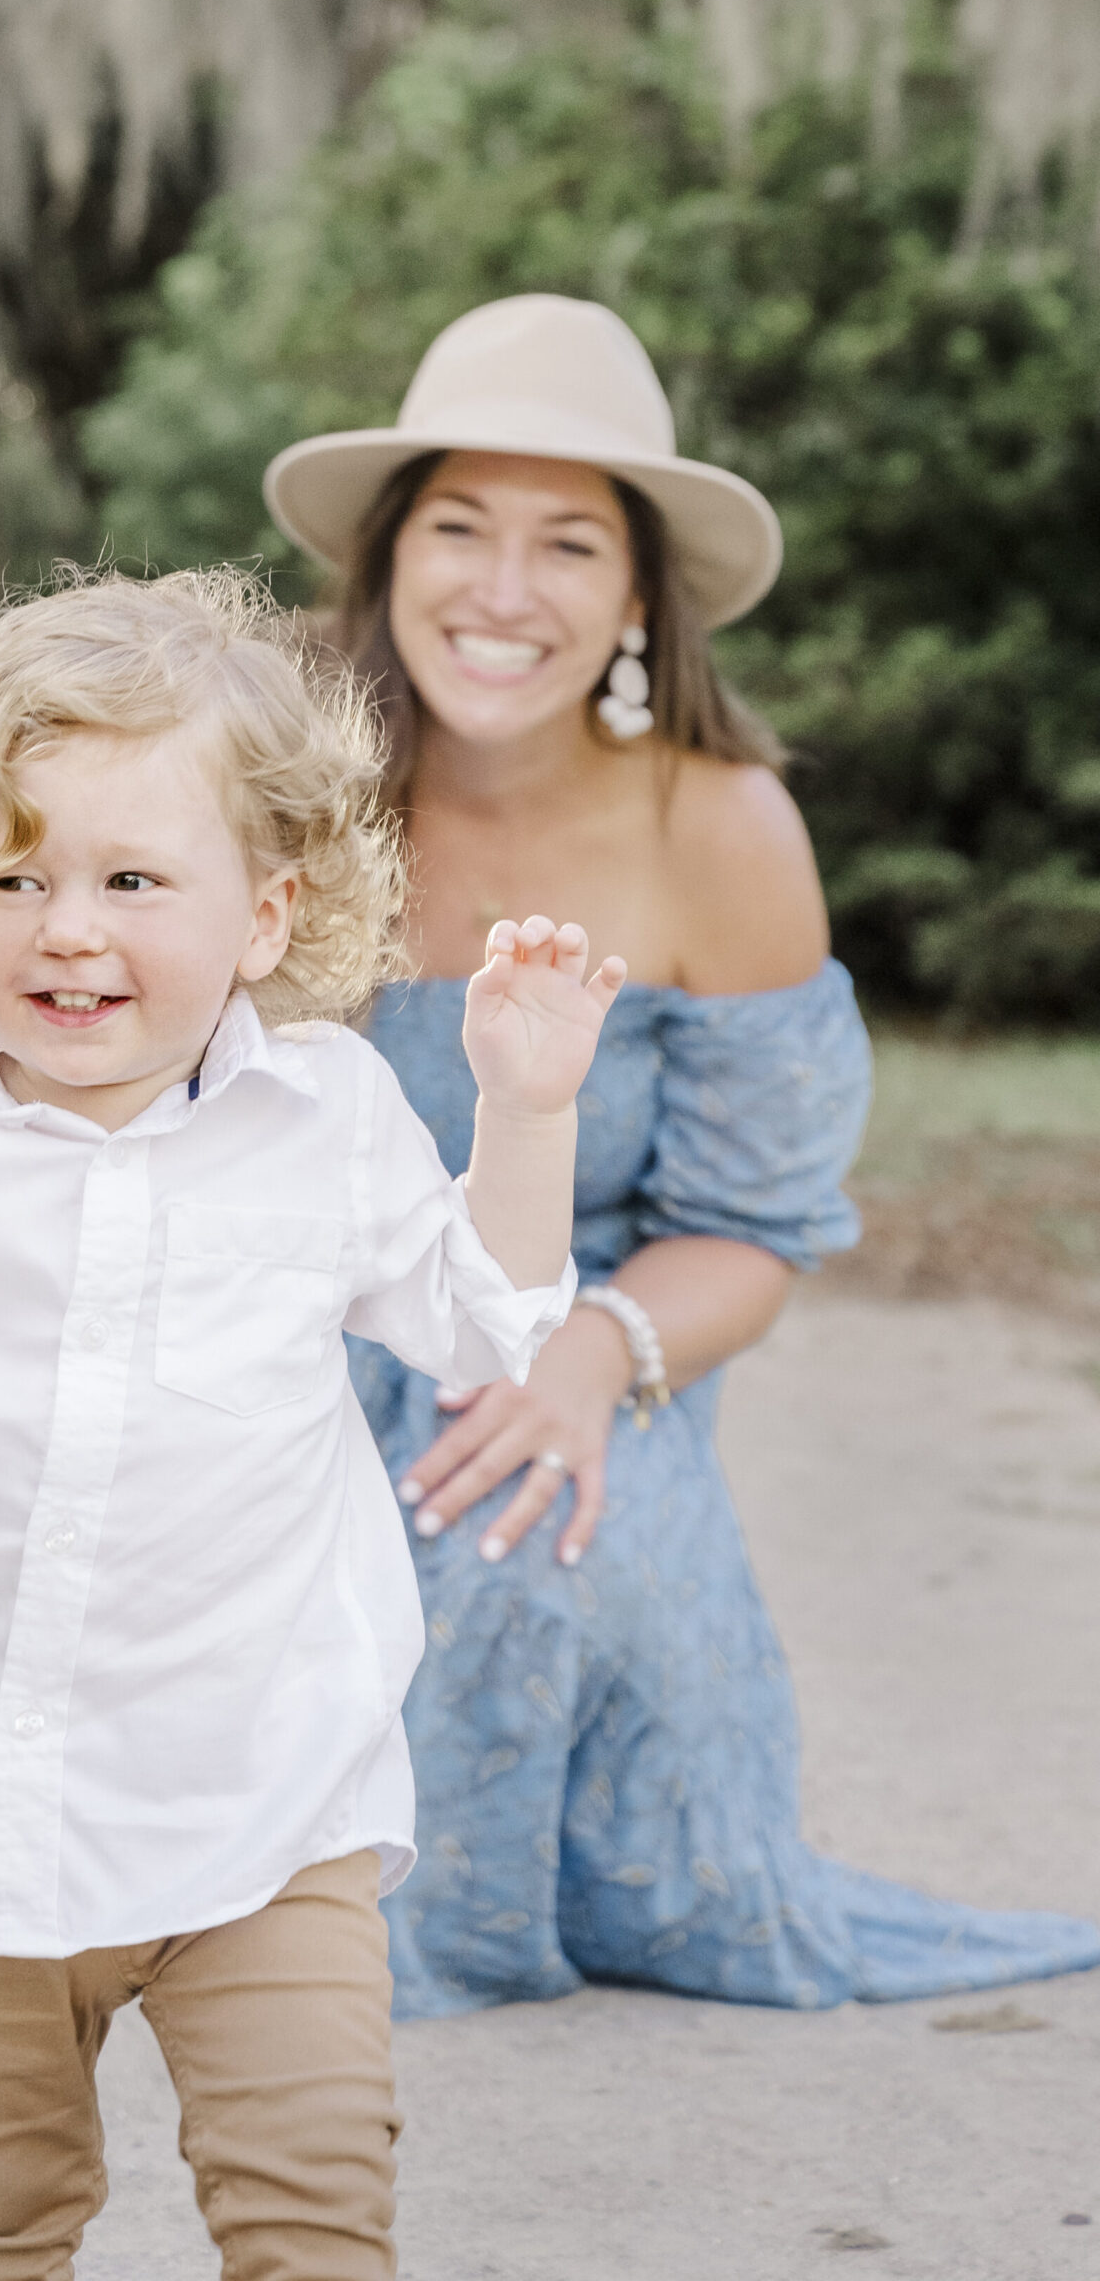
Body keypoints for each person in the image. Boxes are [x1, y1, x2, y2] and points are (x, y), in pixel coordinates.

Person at [0, 569, 623, 2279]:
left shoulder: (323, 1115)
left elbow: (484, 1316)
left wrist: (526, 1109)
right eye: (14, 876)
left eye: (130, 878)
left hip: (271, 1809)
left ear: (264, 917)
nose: (68, 926)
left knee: (316, 2217)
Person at [247, 290, 1100, 2016]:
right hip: (281, 1351)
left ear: (639, 598)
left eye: (569, 543)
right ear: (392, 556)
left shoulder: (720, 827)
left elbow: (756, 1228)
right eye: (462, 527)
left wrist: (584, 1355)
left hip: (586, 1353)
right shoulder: (278, 791)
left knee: (566, 1606)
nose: (504, 588)